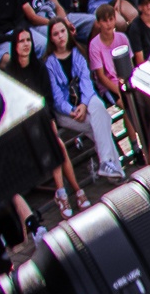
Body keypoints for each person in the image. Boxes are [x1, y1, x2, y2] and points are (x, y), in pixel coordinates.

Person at [45, 17, 124, 183]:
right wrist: (72, 110)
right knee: (100, 123)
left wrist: (83, 104)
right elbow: (57, 97)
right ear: (51, 38)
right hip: (66, 111)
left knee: (99, 108)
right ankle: (115, 170)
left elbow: (86, 83)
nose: (60, 36)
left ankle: (106, 164)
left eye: (62, 31)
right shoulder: (49, 63)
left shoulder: (78, 52)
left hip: (85, 100)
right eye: (56, 34)